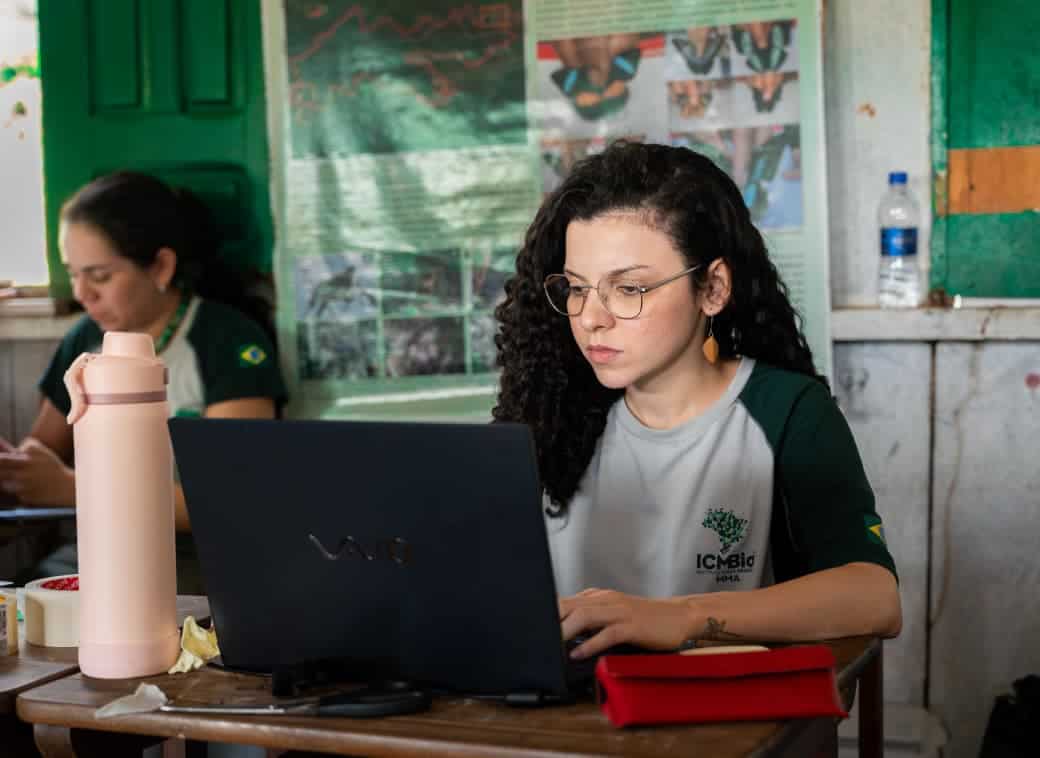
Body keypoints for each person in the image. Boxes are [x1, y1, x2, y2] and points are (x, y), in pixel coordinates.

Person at [493, 141, 901, 659]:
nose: (592, 317)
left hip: (721, 703)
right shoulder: (546, 411)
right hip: (568, 704)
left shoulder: (786, 412)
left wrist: (682, 617)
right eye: (576, 288)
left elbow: (876, 596)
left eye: (629, 289)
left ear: (712, 289)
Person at [0, 171, 287, 593]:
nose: (82, 293)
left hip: (198, 562)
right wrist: (18, 468)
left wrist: (71, 488)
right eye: (73, 274)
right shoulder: (85, 339)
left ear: (161, 267)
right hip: (97, 550)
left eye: (100, 276)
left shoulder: (227, 341)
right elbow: (43, 447)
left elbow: (228, 500)